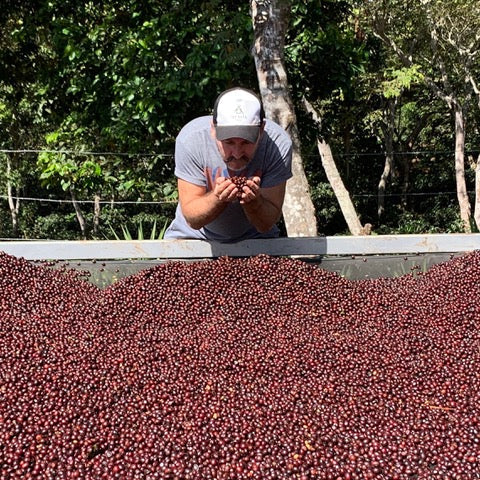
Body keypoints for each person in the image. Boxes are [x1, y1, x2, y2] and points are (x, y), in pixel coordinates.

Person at [164, 87, 293, 242]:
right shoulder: (191, 140)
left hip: (256, 240)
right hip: (193, 237)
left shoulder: (278, 145)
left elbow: (266, 224)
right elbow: (193, 219)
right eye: (229, 142)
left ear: (261, 130)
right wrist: (218, 198)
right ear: (213, 129)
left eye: (246, 142)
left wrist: (253, 202)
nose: (237, 153)